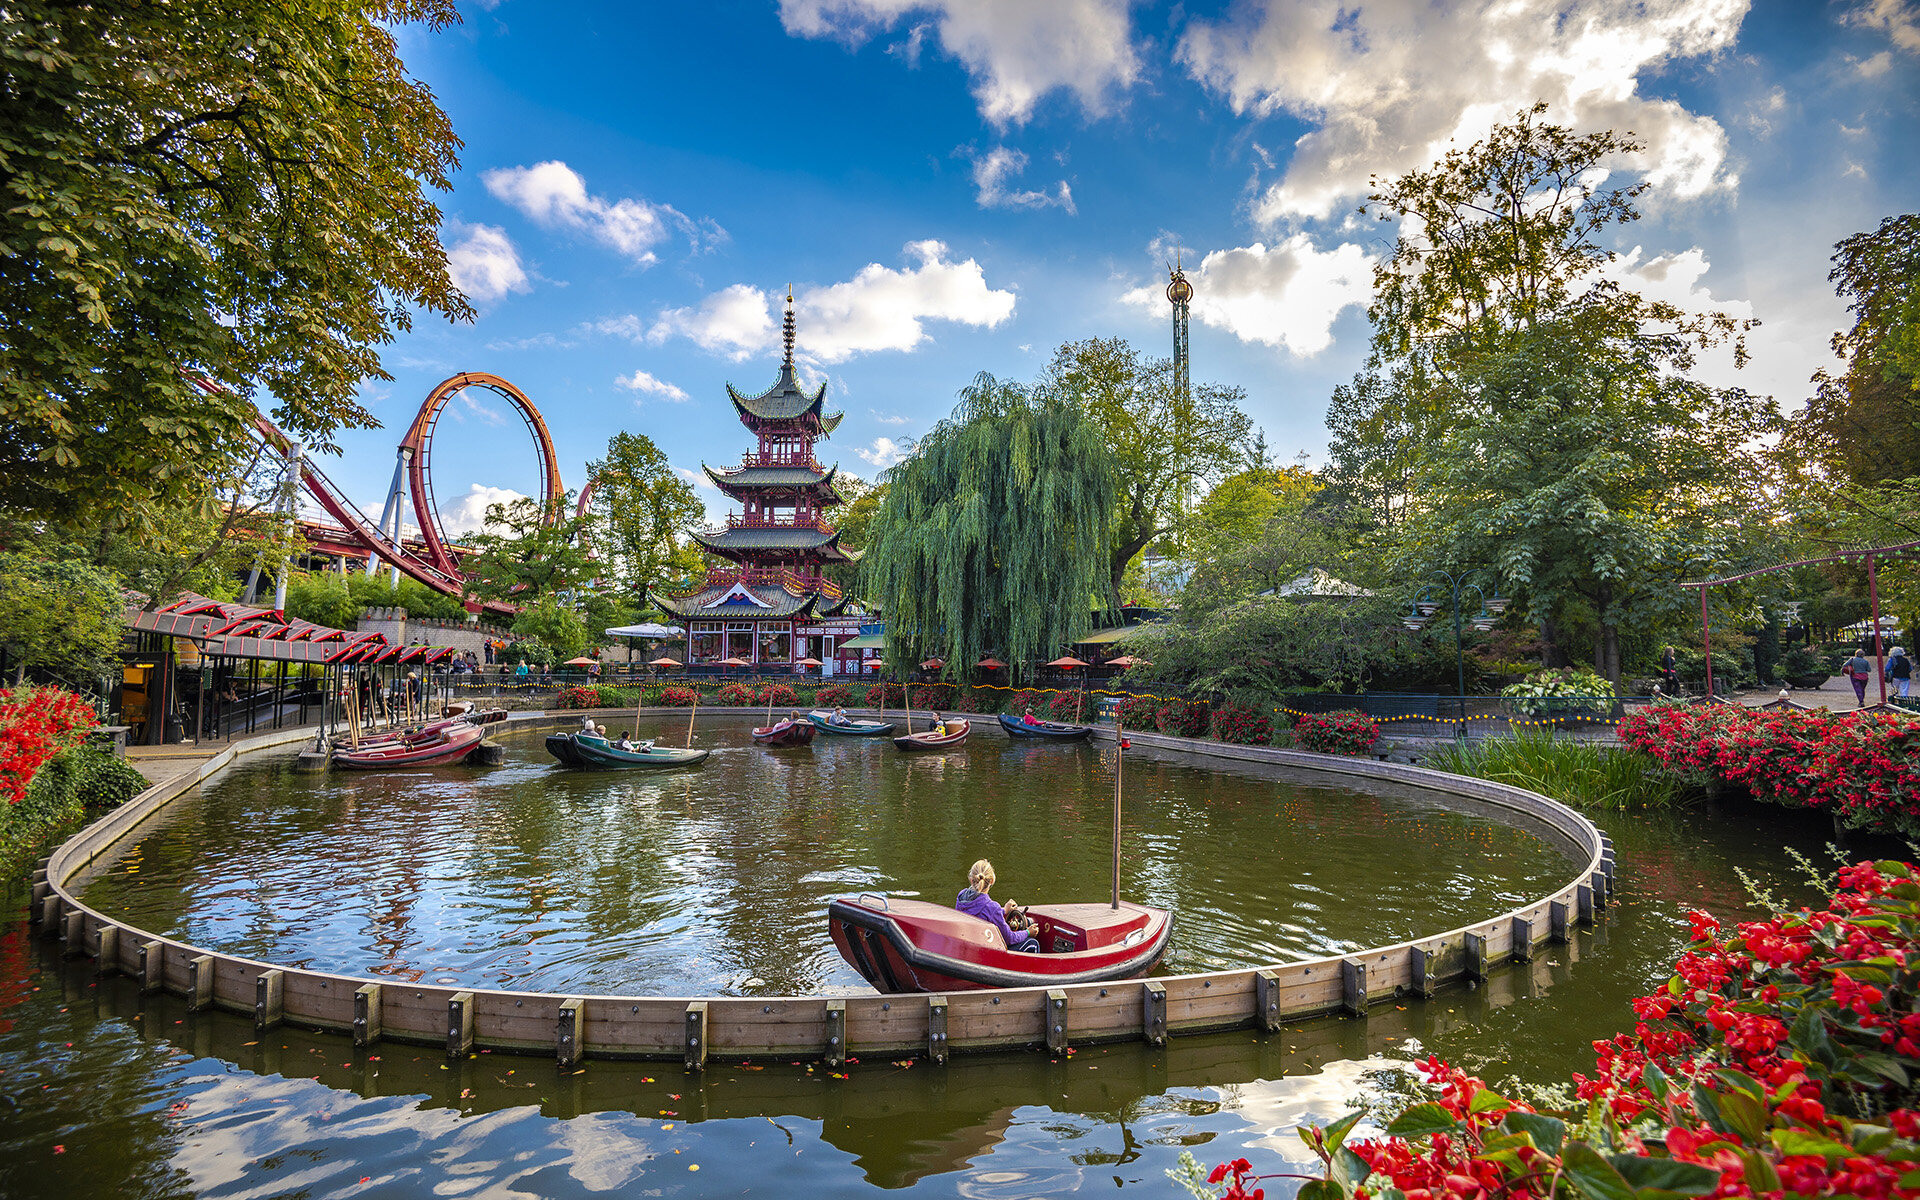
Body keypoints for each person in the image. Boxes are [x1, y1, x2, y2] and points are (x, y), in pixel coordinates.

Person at [955, 859, 1039, 952]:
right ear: (991, 881)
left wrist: (1003, 911)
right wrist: (1027, 932)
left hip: (969, 945)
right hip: (986, 952)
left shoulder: (961, 896)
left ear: (971, 880)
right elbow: (1009, 939)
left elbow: (984, 914)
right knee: (1033, 943)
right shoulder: (992, 907)